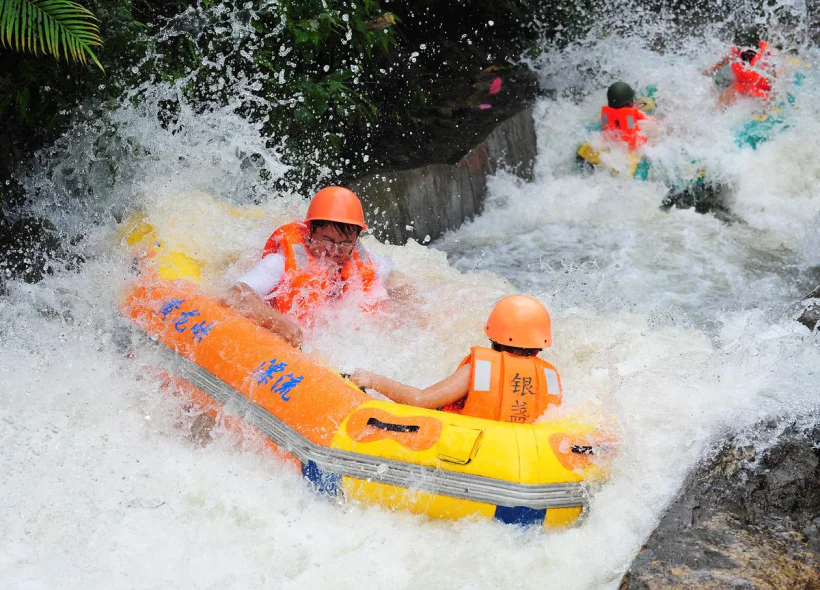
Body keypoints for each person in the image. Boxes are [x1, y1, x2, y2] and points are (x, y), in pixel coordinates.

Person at [226, 186, 398, 348]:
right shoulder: (280, 262)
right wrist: (279, 323)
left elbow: (397, 279)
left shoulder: (365, 260)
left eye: (345, 242)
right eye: (327, 240)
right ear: (310, 232)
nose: (335, 250)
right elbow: (235, 294)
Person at [350, 294, 562, 423]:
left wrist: (372, 380)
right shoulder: (549, 378)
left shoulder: (478, 372)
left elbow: (420, 400)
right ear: (539, 346)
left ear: (493, 335)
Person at [704, 40, 774, 107]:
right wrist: (712, 69)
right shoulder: (736, 55)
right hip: (742, 83)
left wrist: (772, 94)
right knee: (725, 98)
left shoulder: (763, 57)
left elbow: (776, 70)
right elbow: (727, 58)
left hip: (761, 87)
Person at [600, 81, 654, 150]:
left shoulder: (606, 115)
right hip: (635, 148)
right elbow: (649, 121)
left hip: (614, 145)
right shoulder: (632, 116)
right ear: (630, 103)